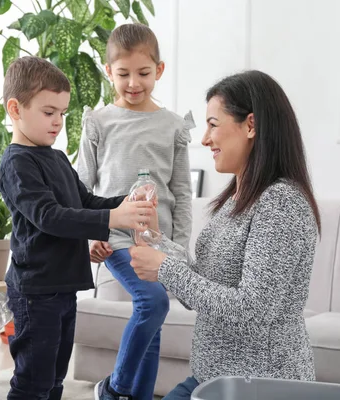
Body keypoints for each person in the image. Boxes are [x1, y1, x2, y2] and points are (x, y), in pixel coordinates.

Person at [129, 70, 322, 399]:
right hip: (211, 379)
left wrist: (164, 268)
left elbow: (254, 311)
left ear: (250, 125)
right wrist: (156, 239)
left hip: (261, 386)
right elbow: (201, 293)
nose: (204, 139)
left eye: (213, 124)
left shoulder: (281, 203)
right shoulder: (235, 199)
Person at [0, 56, 155, 400]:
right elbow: (50, 216)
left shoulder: (55, 158)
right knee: (32, 382)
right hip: (35, 291)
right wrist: (113, 219)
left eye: (62, 114)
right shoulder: (17, 162)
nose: (57, 122)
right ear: (15, 109)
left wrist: (125, 203)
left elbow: (85, 202)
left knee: (55, 380)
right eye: (48, 112)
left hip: (64, 286)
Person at [76, 23, 194, 400]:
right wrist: (90, 235)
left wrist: (177, 248)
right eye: (123, 73)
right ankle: (114, 388)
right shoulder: (97, 122)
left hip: (159, 242)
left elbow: (182, 193)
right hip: (115, 236)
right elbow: (81, 187)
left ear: (159, 70)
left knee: (154, 322)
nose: (133, 83)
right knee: (153, 302)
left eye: (143, 73)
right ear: (108, 71)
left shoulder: (174, 126)